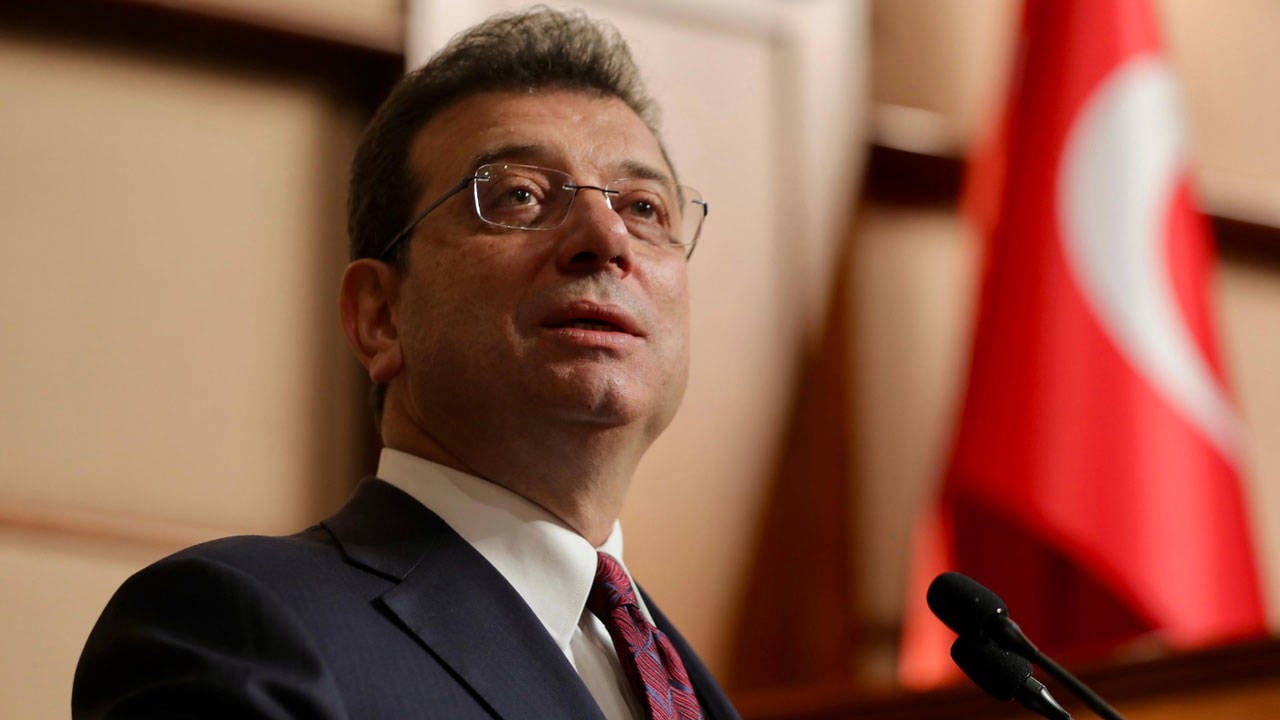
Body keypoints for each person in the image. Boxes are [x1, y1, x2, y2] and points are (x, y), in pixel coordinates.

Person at [72, 7, 737, 720]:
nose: (606, 237)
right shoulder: (230, 626)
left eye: (644, 207)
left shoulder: (685, 683)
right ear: (380, 317)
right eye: (519, 195)